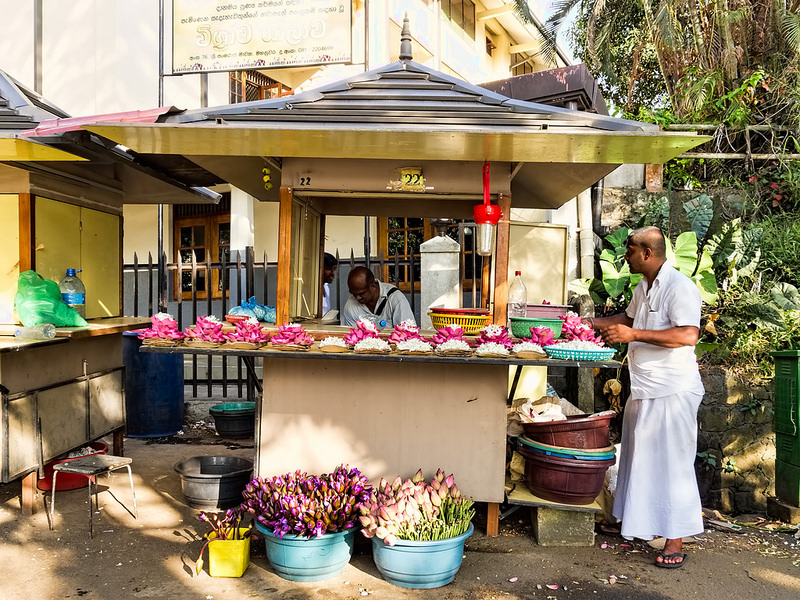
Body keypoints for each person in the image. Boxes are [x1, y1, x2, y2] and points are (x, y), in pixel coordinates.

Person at [583, 226, 704, 570]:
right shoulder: (644, 285)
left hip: (672, 390)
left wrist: (633, 334)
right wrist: (589, 323)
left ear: (647, 253)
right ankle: (633, 522)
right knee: (640, 460)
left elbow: (687, 334)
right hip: (646, 387)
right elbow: (630, 318)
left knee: (672, 465)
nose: (626, 256)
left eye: (630, 250)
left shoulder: (680, 287)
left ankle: (675, 538)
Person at [341, 266, 416, 327]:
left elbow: (408, 332)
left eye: (361, 293)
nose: (357, 298)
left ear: (373, 286)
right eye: (354, 294)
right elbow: (351, 336)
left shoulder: (396, 298)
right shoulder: (350, 305)